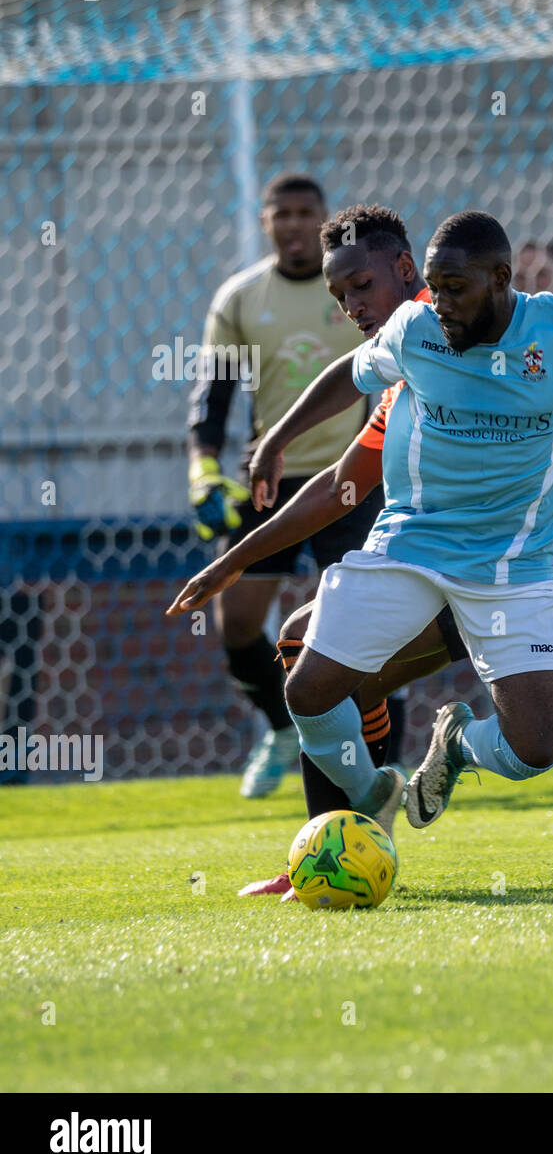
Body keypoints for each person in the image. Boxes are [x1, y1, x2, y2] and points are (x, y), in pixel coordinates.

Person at [168, 206, 553, 889]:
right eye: (338, 295)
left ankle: (376, 806)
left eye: (361, 289)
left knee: (335, 672)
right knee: (308, 657)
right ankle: (328, 845)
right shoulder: (414, 355)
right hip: (428, 557)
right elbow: (342, 485)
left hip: (518, 562)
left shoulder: (481, 328)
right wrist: (235, 554)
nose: (351, 307)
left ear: (409, 274)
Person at [188, 173, 383, 799]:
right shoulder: (241, 297)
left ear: (328, 221)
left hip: (351, 478)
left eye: (307, 213)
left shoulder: (359, 288)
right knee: (237, 622)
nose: (294, 224)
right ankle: (279, 726)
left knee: (358, 633)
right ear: (265, 221)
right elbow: (212, 399)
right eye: (283, 214)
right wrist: (203, 472)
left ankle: (370, 772)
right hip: (269, 477)